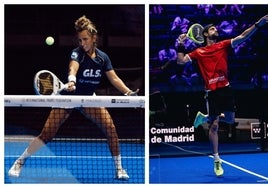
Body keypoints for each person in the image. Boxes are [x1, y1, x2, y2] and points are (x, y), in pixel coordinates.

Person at [8, 15, 139, 180]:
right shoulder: (77, 53)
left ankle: (119, 169)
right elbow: (73, 69)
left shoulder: (102, 58)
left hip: (88, 98)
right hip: (68, 98)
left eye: (85, 39)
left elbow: (114, 78)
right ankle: (19, 162)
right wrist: (71, 81)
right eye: (80, 40)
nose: (82, 43)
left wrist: (128, 93)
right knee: (47, 135)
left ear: (93, 38)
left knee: (110, 129)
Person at [176, 15, 268, 177]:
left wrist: (257, 25)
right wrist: (181, 44)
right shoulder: (198, 52)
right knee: (215, 125)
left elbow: (243, 36)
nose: (216, 30)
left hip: (226, 89)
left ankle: (204, 118)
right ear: (204, 34)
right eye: (212, 28)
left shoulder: (223, 45)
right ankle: (217, 160)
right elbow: (181, 61)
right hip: (211, 92)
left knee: (230, 120)